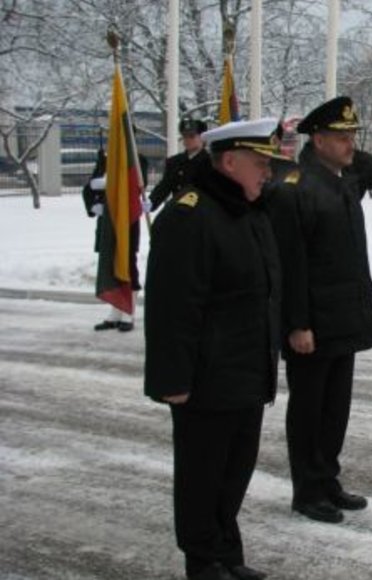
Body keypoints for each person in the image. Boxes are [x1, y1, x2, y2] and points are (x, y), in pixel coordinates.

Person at [143, 118, 284, 580]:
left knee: (234, 473)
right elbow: (172, 307)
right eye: (260, 163)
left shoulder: (248, 212)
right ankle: (202, 561)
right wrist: (172, 380)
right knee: (203, 475)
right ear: (229, 161)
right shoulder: (189, 215)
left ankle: (227, 553)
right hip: (205, 379)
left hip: (246, 373)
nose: (268, 172)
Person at [265, 96, 372, 524]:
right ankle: (307, 490)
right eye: (341, 136)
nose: (351, 143)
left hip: (342, 318)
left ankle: (327, 479)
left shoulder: (339, 181)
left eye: (353, 135)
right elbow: (291, 265)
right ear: (317, 139)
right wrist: (297, 323)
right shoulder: (296, 188)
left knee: (335, 409)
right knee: (309, 409)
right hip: (312, 324)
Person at [82, 146, 149, 332]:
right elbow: (88, 188)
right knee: (110, 265)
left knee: (127, 265)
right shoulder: (104, 160)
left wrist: (107, 183)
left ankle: (129, 311)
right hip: (106, 223)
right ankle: (115, 312)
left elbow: (134, 186)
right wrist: (93, 204)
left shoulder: (137, 159)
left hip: (126, 222)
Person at [148, 118, 211, 212]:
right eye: (185, 136)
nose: (187, 140)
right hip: (178, 213)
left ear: (202, 138)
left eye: (192, 136)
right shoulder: (175, 162)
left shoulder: (211, 162)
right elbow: (164, 186)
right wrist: (151, 202)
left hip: (202, 215)